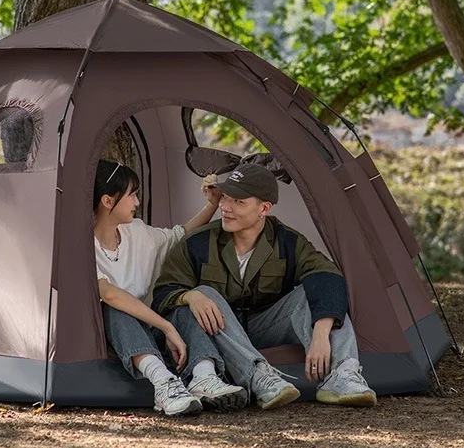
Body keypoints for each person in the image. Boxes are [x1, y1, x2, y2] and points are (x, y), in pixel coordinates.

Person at [152, 162, 377, 410]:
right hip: (219, 331)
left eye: (239, 201)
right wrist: (190, 297)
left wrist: (321, 333)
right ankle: (260, 378)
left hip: (265, 325)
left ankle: (343, 374)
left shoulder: (287, 241)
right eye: (225, 198)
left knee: (314, 293)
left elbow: (327, 275)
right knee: (204, 294)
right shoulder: (198, 242)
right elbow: (164, 292)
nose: (225, 208)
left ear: (264, 209)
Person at [94, 159, 248, 416]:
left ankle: (203, 377)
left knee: (187, 306)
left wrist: (212, 204)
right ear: (108, 201)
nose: (137, 202)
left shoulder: (137, 233)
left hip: (151, 326)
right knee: (114, 309)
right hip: (116, 333)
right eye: (132, 195)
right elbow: (109, 294)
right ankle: (163, 383)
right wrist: (166, 327)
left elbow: (180, 234)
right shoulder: (82, 244)